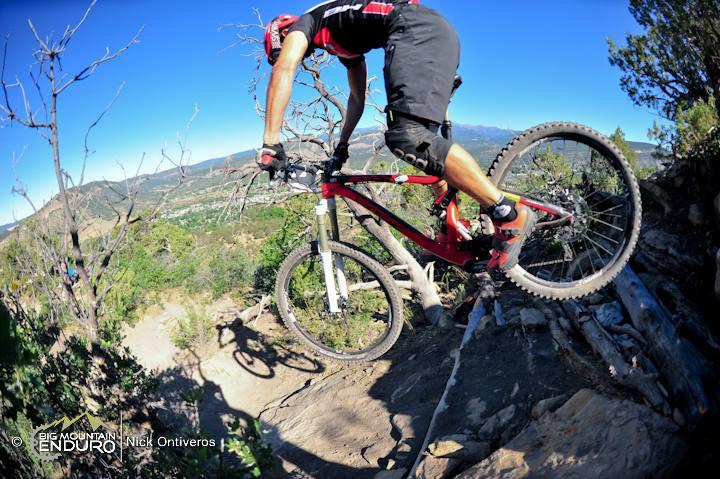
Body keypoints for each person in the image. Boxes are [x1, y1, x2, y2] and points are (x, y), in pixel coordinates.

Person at [257, 0, 536, 271]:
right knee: (426, 147)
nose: (297, 56)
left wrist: (270, 143)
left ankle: (506, 213)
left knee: (407, 138)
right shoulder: (341, 40)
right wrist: (341, 146)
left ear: (283, 33)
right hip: (428, 32)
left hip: (414, 32)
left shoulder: (305, 23)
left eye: (278, 53)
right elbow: (357, 97)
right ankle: (450, 228)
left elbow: (284, 70)